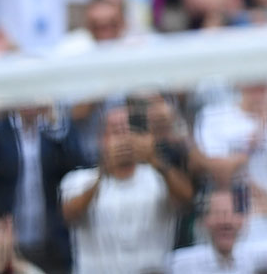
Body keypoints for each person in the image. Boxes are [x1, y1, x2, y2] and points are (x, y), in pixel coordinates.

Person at [59, 105, 194, 274]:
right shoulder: (79, 179)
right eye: (116, 131)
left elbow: (187, 198)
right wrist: (103, 173)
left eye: (131, 131)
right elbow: (69, 214)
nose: (125, 138)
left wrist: (155, 160)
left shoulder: (159, 178)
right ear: (102, 140)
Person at [0, 105, 86, 272]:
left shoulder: (53, 129)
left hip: (52, 243)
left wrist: (56, 126)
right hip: (7, 243)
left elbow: (81, 168)